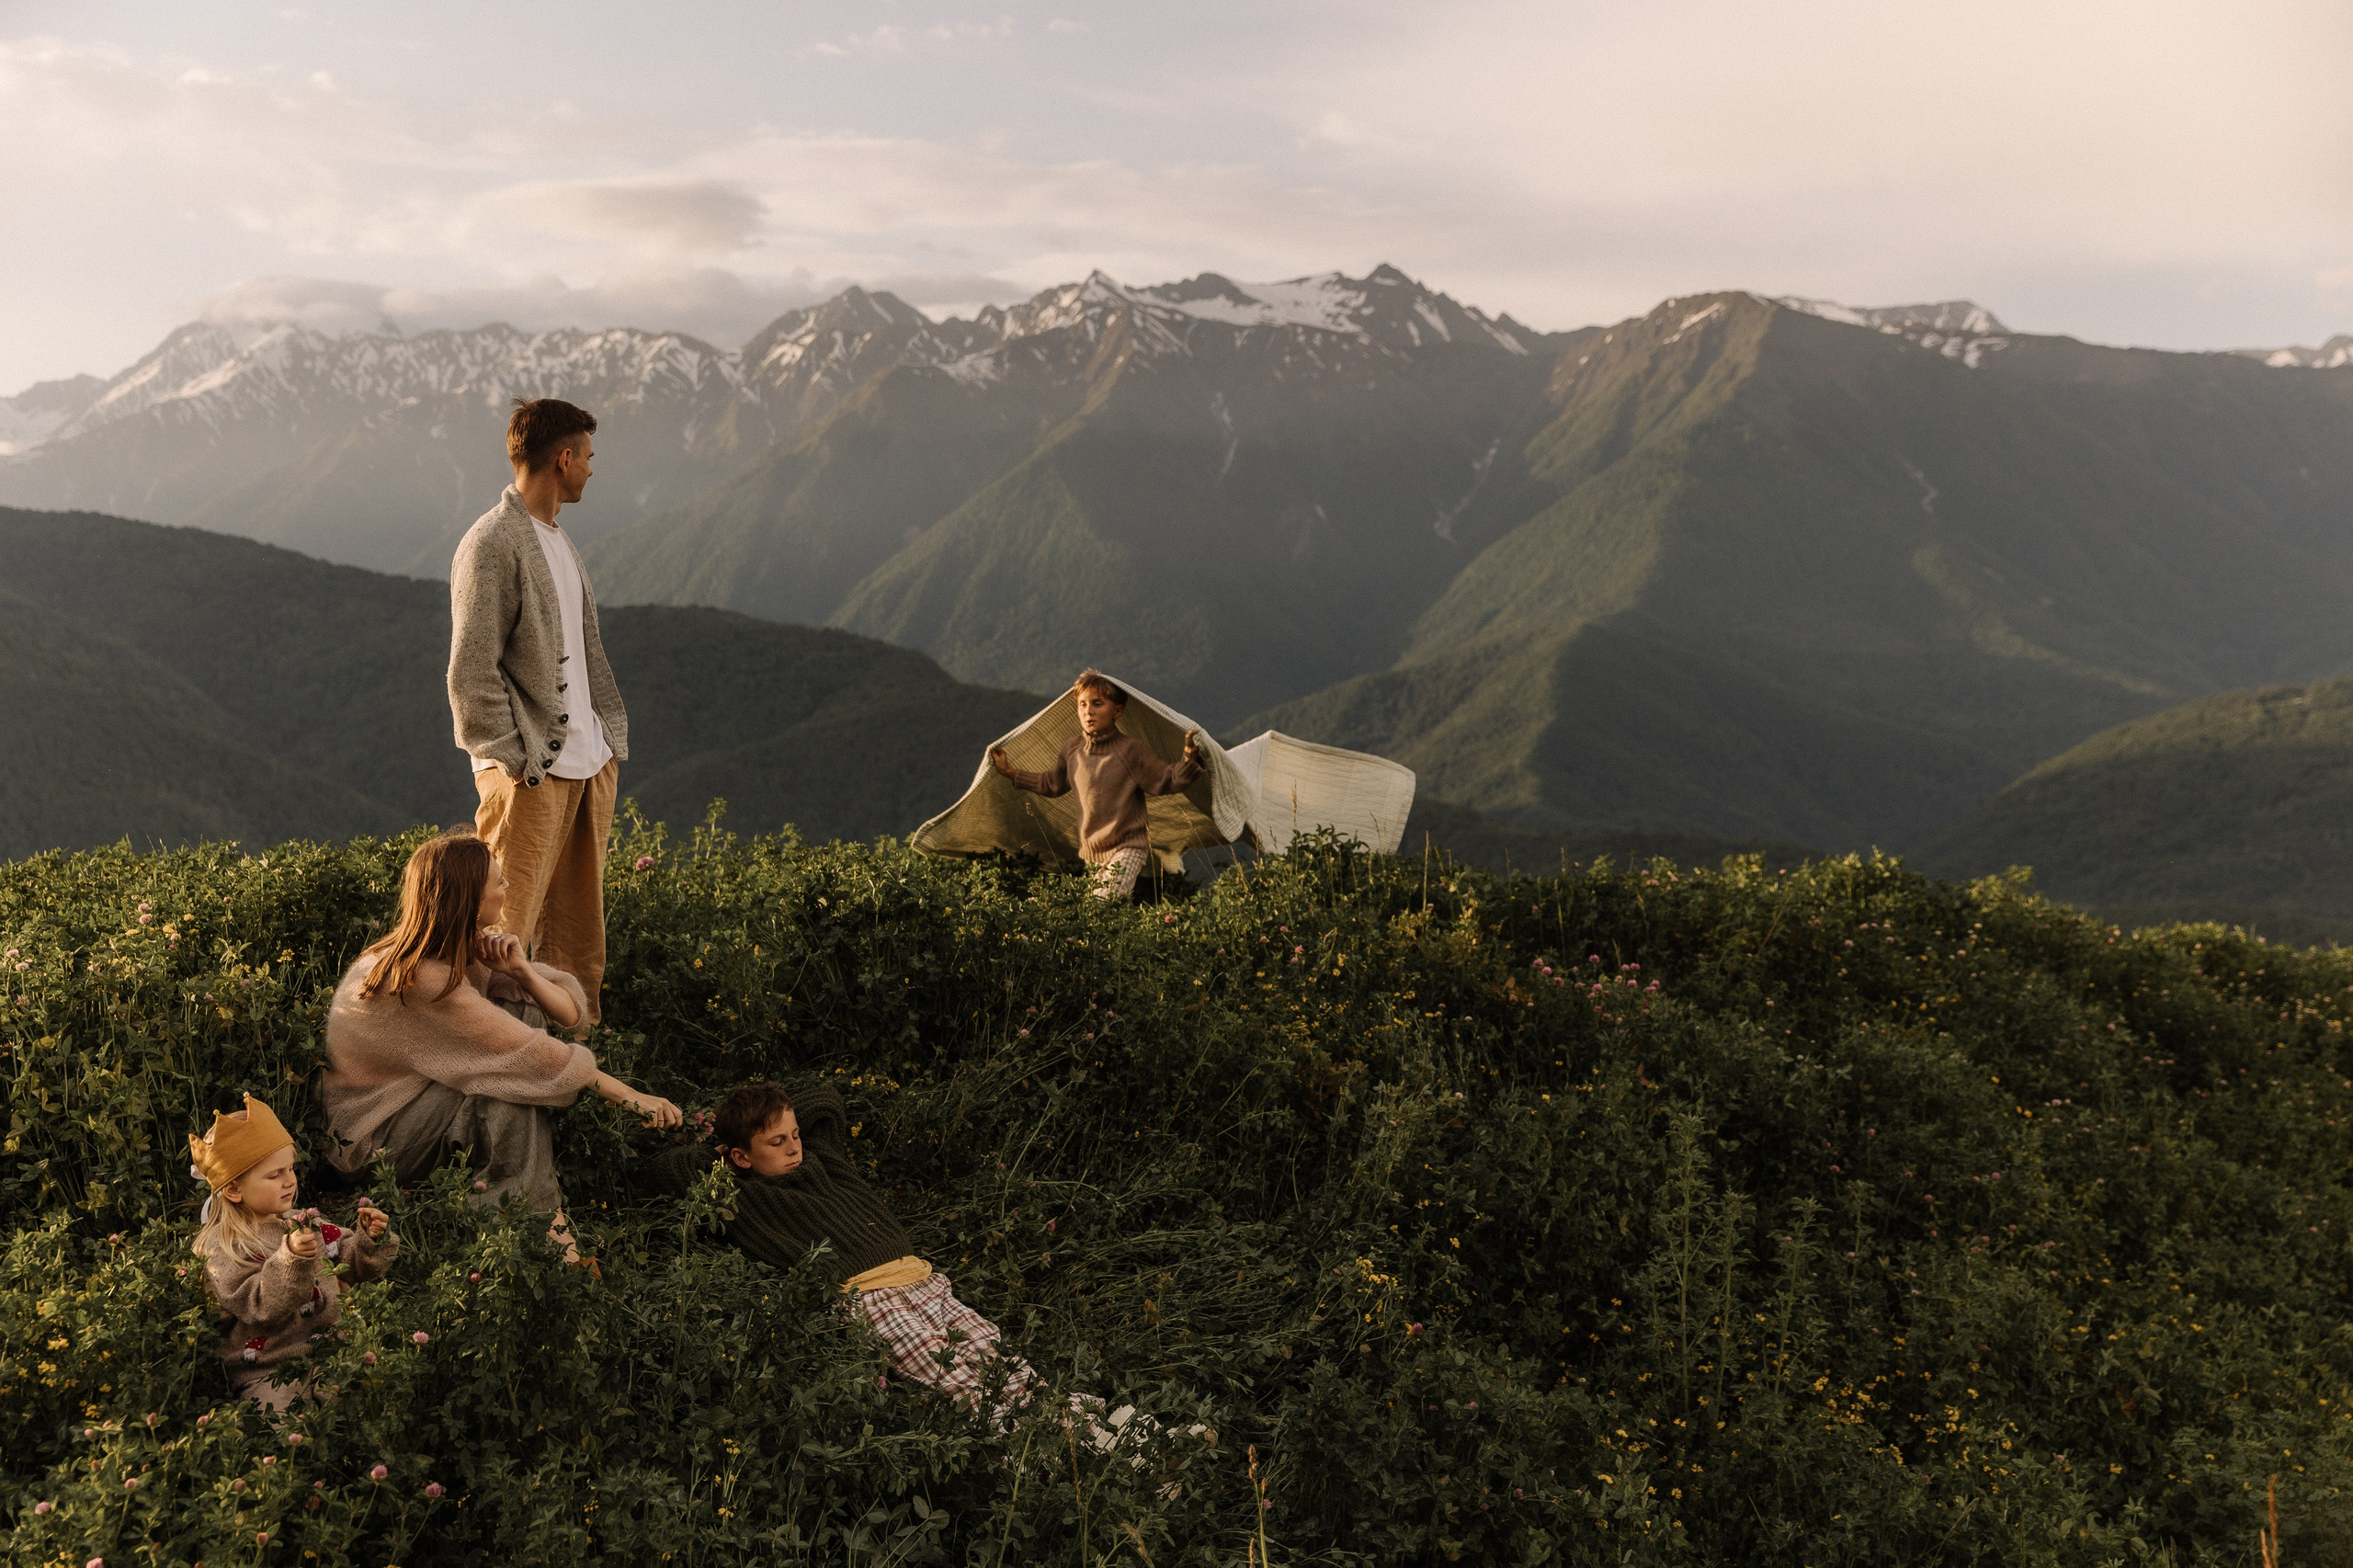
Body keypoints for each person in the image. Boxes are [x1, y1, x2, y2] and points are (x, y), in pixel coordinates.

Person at [644, 1081, 1185, 1456]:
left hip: (925, 1281)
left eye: (795, 1135)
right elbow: (668, 1170)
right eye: (776, 1141)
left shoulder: (823, 1159)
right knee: (964, 1387)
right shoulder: (744, 1191)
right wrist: (724, 1146)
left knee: (1008, 1369)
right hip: (866, 1299)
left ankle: (1130, 1443)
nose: (794, 1148)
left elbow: (825, 1104)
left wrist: (777, 1117)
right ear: (739, 1155)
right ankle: (1066, 1461)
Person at [321, 827, 679, 1260]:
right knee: (505, 1092)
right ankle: (540, 1235)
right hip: (370, 1139)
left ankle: (526, 1215)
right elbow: (531, 1052)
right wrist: (630, 1095)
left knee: (518, 1030)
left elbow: (570, 1013)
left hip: (414, 1102)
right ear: (470, 899)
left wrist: (522, 972)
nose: (508, 888)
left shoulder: (457, 947)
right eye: (500, 882)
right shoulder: (424, 978)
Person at [449, 397, 628, 1030]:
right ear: (563, 458)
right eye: (588, 457)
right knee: (501, 928)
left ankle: (572, 1063)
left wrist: (603, 740)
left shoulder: (556, 541)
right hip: (531, 771)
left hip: (585, 765)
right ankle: (484, 1058)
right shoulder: (493, 542)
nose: (591, 470)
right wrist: (515, 756)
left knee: (579, 939)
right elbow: (470, 672)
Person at [189, 1095, 396, 1410]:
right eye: (274, 1175)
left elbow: (347, 1264)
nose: (290, 1181)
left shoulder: (302, 1221)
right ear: (233, 1189)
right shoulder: (225, 1247)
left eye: (290, 1168)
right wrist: (292, 1261)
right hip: (266, 1367)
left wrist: (369, 1241)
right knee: (280, 1421)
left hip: (332, 1346)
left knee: (368, 1400)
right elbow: (260, 1307)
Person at [988, 669, 1203, 899]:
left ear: (1117, 711)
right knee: (1096, 917)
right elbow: (1052, 784)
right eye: (1082, 704)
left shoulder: (1130, 750)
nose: (1088, 711)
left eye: (1097, 703)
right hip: (1092, 855)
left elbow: (1165, 780)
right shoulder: (1072, 751)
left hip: (1128, 848)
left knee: (1102, 903)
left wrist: (1189, 758)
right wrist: (1010, 772)